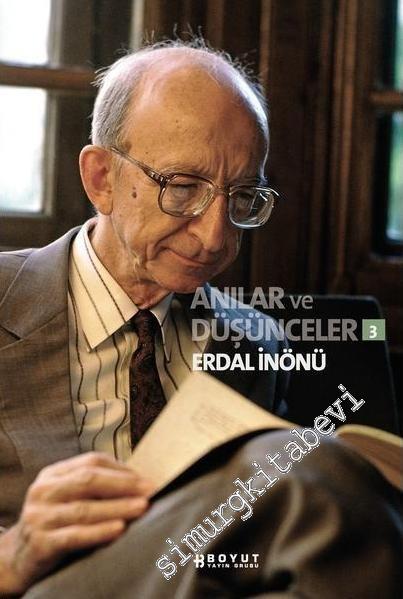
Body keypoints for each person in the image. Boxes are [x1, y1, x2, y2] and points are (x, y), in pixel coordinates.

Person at [0, 40, 401, 598]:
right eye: (183, 187)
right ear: (101, 179)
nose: (215, 236)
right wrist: (13, 553)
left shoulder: (255, 343)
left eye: (242, 196)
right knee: (314, 486)